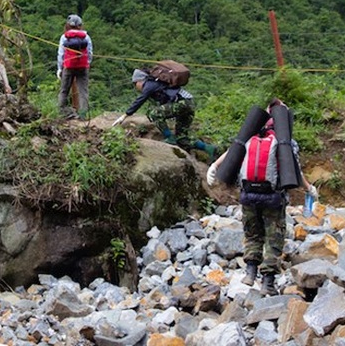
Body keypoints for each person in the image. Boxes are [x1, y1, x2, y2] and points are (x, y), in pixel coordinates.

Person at [206, 98, 318, 295]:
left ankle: (250, 272)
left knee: (252, 234)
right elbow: (295, 170)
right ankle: (268, 282)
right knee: (273, 238)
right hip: (273, 197)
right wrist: (309, 188)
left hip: (248, 195)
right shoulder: (284, 140)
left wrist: (214, 166)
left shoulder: (250, 135)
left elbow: (233, 151)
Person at [112, 68, 209, 152]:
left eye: (135, 84)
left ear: (139, 81)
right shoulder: (156, 84)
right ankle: (209, 148)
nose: (136, 87)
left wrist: (125, 115)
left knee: (153, 113)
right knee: (181, 139)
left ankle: (169, 137)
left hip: (183, 103)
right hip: (189, 103)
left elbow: (140, 100)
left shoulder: (149, 85)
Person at [57, 14, 92, 119]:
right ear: (80, 25)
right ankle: (83, 115)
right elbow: (89, 52)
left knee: (64, 90)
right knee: (83, 91)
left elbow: (61, 54)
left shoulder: (64, 37)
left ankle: (61, 112)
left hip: (68, 66)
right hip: (82, 66)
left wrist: (59, 68)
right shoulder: (86, 37)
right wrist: (88, 63)